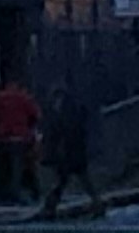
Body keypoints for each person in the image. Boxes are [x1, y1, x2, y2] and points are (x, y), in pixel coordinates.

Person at [36, 88, 96, 218]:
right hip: (75, 152)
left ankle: (49, 208)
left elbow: (61, 133)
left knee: (61, 181)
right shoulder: (74, 111)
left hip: (68, 153)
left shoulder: (65, 114)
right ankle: (97, 205)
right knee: (80, 181)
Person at [0, 77, 42, 203]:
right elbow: (35, 115)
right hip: (20, 137)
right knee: (18, 167)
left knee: (0, 167)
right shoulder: (23, 98)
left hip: (1, 138)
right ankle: (18, 193)